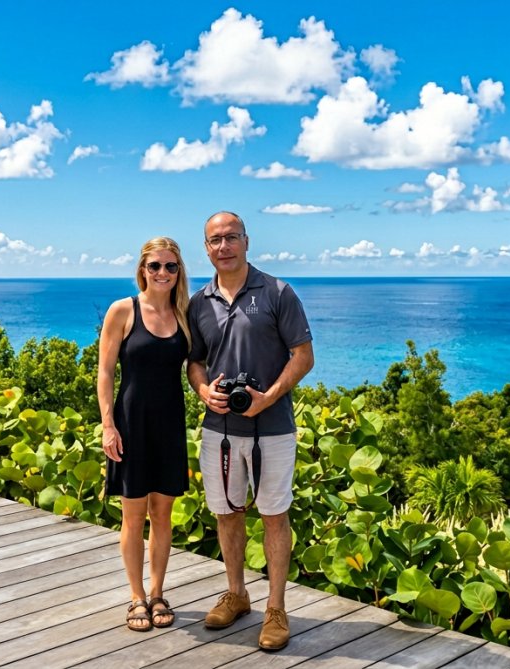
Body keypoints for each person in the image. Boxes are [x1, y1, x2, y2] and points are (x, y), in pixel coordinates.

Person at [187, 211, 314, 651]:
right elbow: (195, 362)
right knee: (227, 513)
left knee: (274, 515)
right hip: (218, 430)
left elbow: (303, 355)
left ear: (246, 241)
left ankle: (276, 608)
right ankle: (237, 594)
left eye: (231, 237)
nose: (223, 246)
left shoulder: (278, 292)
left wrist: (269, 397)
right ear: (206, 248)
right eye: (215, 240)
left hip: (272, 428)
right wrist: (203, 390)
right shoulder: (199, 302)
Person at [97, 237, 191, 632]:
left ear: (179, 271)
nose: (162, 273)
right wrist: (108, 425)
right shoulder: (123, 310)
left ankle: (157, 593)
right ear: (143, 270)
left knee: (163, 515)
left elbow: (199, 366)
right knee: (133, 516)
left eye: (170, 266)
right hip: (131, 423)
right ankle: (136, 596)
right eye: (155, 266)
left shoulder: (184, 313)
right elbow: (105, 372)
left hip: (170, 425)